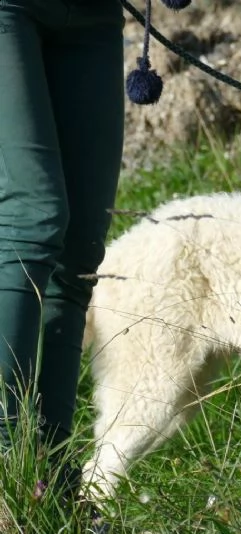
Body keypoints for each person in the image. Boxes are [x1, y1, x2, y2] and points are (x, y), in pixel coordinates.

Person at [0, 0, 125, 469]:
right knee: (34, 219)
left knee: (81, 253)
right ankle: (6, 475)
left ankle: (48, 484)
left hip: (95, 16)